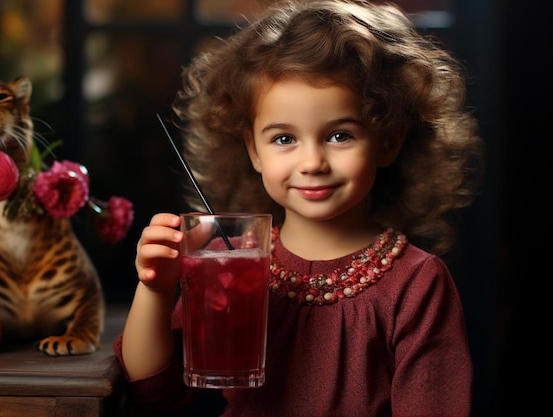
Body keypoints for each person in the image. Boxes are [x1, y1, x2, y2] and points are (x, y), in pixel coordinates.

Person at [114, 0, 484, 415]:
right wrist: (156, 289)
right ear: (253, 150)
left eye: (340, 135)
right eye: (284, 139)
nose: (312, 163)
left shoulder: (417, 284)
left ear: (388, 141)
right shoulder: (230, 264)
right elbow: (151, 389)